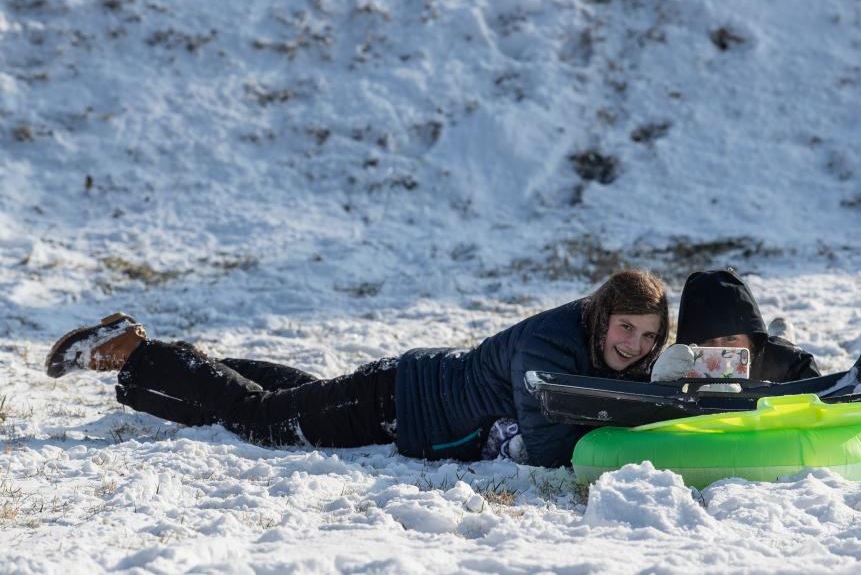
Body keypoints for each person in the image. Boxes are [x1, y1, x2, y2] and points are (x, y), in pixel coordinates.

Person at [44, 269, 669, 468]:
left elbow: (622, 392)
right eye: (626, 330)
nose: (634, 346)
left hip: (410, 387)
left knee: (292, 398)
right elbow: (551, 446)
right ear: (602, 316)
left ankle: (194, 368)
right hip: (400, 403)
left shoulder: (590, 337)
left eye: (648, 337)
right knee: (265, 421)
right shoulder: (551, 348)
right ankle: (139, 354)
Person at [651, 268, 821, 384]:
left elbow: (821, 392)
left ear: (752, 341)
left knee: (782, 340)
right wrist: (661, 385)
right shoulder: (680, 362)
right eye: (709, 341)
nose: (721, 349)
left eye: (731, 338)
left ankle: (781, 328)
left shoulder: (782, 359)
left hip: (771, 353)